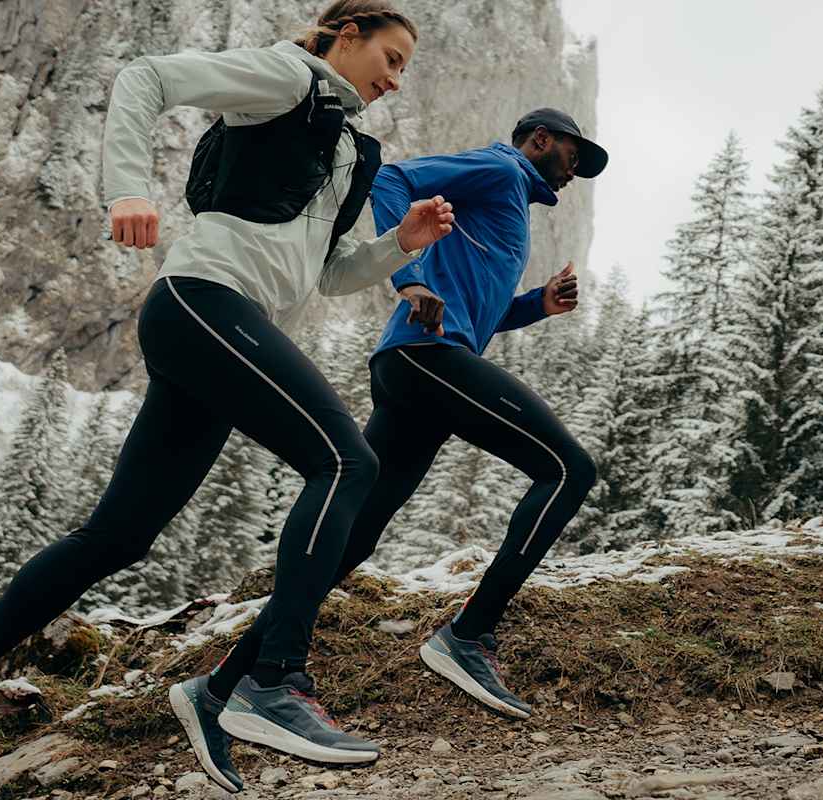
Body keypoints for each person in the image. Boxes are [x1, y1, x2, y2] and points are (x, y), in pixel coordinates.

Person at [0, 2, 454, 797]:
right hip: (204, 302)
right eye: (392, 57)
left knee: (117, 536)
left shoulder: (349, 147)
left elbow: (329, 274)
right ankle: (269, 681)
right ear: (348, 36)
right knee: (348, 461)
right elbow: (146, 77)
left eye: (406, 68)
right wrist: (127, 191)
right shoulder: (287, 77)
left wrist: (398, 246)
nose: (397, 79)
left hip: (223, 330)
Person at [196, 108, 609, 726]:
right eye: (574, 157)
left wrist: (537, 305)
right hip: (426, 358)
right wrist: (408, 279)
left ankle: (221, 686)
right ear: (541, 140)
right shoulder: (501, 169)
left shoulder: (508, 205)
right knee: (569, 469)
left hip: (420, 368)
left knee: (353, 538)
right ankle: (469, 636)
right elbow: (391, 179)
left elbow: (476, 310)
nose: (575, 172)